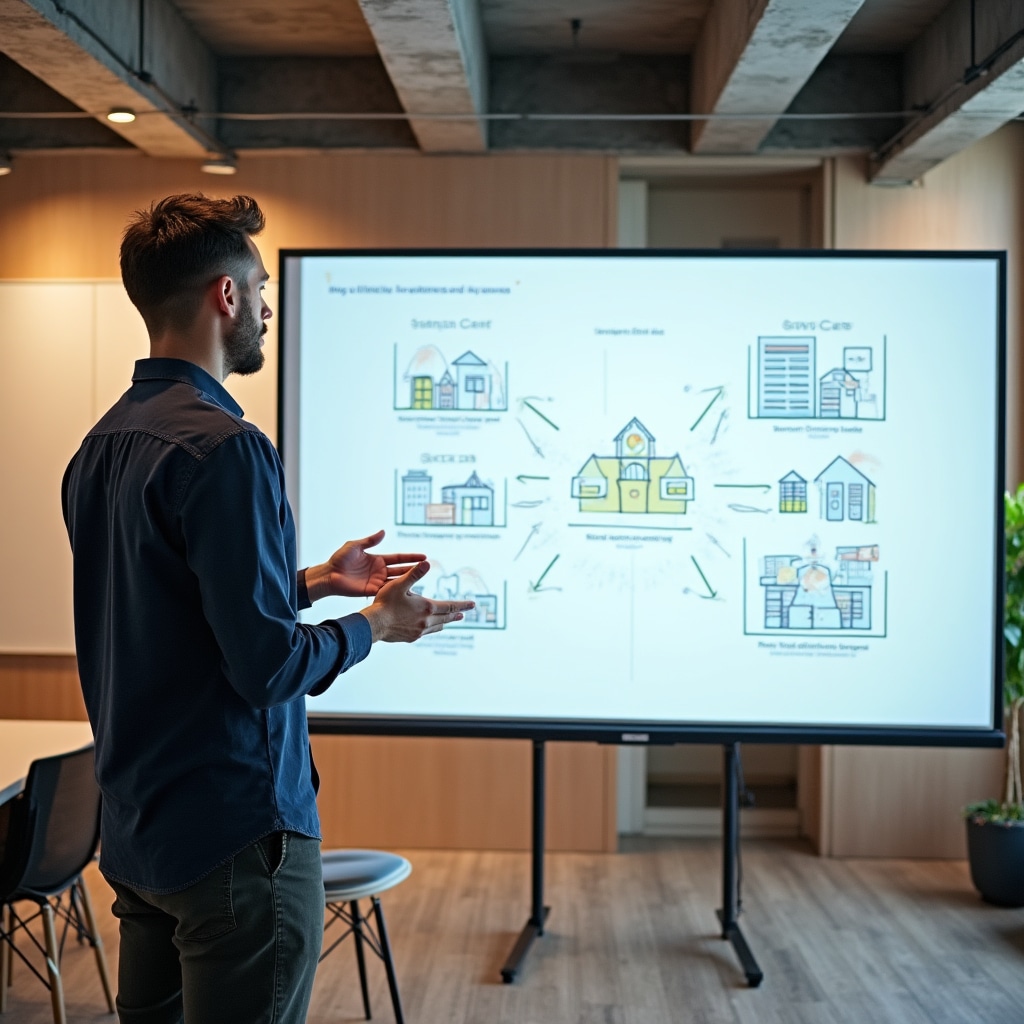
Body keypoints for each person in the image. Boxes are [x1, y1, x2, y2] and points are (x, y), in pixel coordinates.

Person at [61, 193, 473, 1024]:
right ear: (225, 296)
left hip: (141, 835)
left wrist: (315, 580)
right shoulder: (228, 448)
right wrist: (374, 627)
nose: (266, 308)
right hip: (236, 838)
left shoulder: (97, 449)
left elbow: (170, 616)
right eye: (258, 288)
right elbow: (268, 667)